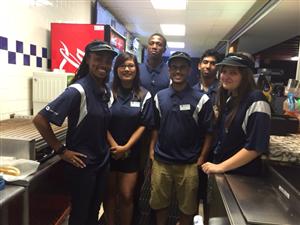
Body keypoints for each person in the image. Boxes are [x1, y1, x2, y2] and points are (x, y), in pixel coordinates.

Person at [33, 40, 117, 225]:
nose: (103, 64)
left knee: (93, 212)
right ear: (87, 59)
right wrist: (61, 150)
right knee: (80, 214)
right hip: (82, 164)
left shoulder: (106, 91)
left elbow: (102, 127)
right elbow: (40, 119)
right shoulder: (77, 90)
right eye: (98, 58)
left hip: (102, 162)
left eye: (108, 60)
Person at [149, 51, 214, 225]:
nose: (178, 71)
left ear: (189, 70)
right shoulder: (159, 97)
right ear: (169, 70)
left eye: (182, 67)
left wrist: (201, 158)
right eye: (174, 67)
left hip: (189, 164)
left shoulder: (202, 99)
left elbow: (209, 132)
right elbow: (154, 127)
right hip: (162, 161)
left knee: (187, 208)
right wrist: (151, 151)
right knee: (159, 204)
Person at [104, 52, 153, 225]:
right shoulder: (106, 91)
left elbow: (144, 124)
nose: (127, 69)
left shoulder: (144, 95)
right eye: (122, 66)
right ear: (116, 69)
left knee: (126, 195)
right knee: (109, 194)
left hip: (131, 154)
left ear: (136, 69)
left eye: (131, 65)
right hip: (107, 152)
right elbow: (101, 121)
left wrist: (125, 147)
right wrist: (114, 146)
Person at [201, 52, 271, 176]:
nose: (226, 76)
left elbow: (256, 147)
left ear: (245, 76)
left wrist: (221, 167)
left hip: (242, 175)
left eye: (233, 73)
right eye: (224, 71)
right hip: (227, 171)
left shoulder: (256, 100)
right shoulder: (230, 98)